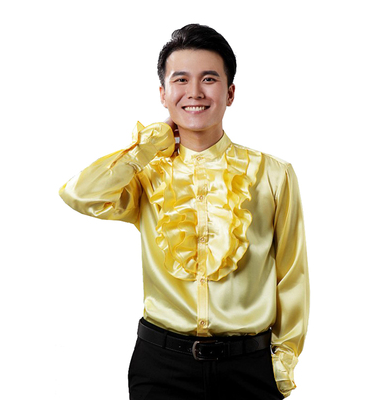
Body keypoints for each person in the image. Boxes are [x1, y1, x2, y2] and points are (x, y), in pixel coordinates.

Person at [59, 24, 309, 400]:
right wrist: (147, 147)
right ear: (163, 94)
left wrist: (283, 360)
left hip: (249, 368)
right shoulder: (145, 173)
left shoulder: (274, 174)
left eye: (209, 79)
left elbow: (292, 273)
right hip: (161, 367)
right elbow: (79, 195)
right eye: (181, 80)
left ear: (230, 92)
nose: (194, 92)